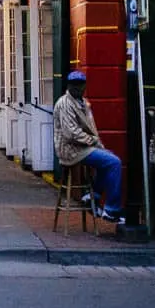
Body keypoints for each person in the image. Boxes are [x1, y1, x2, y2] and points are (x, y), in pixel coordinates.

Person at [52, 70, 125, 224]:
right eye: (74, 85)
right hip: (71, 150)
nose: (77, 88)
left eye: (80, 85)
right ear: (69, 86)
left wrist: (97, 144)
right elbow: (71, 133)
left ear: (85, 86)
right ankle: (112, 210)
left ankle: (93, 196)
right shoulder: (65, 103)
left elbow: (90, 128)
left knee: (109, 159)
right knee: (114, 162)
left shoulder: (83, 102)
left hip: (82, 147)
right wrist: (93, 141)